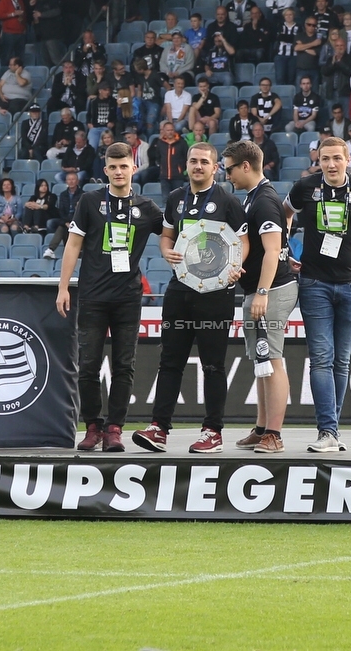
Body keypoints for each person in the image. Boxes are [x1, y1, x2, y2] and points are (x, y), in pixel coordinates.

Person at [131, 142, 248, 455]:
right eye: (193, 161)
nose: (198, 166)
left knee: (212, 365)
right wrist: (165, 250)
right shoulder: (175, 198)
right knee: (170, 361)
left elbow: (244, 240)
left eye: (204, 162)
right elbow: (166, 235)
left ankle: (213, 431)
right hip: (180, 289)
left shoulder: (228, 200)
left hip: (216, 294)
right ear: (186, 165)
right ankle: (159, 429)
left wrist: (236, 266)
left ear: (214, 168)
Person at [55, 141, 164, 452]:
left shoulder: (146, 208)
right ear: (105, 171)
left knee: (123, 366)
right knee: (87, 365)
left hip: (128, 298)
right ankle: (92, 427)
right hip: (91, 296)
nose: (118, 171)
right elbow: (73, 244)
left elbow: (171, 231)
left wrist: (171, 252)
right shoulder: (90, 202)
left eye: (123, 166)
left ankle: (114, 428)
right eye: (113, 167)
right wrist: (64, 287)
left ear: (133, 168)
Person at [283, 136, 351, 452]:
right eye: (325, 159)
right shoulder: (305, 187)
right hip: (314, 284)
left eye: (337, 158)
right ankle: (327, 431)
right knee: (322, 359)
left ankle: (332, 431)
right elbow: (285, 212)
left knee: (342, 361)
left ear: (347, 157)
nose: (331, 164)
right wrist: (285, 250)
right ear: (318, 160)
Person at [217, 139, 298, 453]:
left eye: (230, 170)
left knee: (273, 360)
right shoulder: (253, 198)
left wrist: (262, 292)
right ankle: (262, 427)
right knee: (262, 361)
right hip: (260, 289)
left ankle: (273, 434)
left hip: (272, 290)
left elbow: (273, 249)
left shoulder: (263, 200)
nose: (228, 176)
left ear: (246, 165)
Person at [154, 121, 188, 200]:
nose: (170, 132)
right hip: (164, 177)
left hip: (178, 176)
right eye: (168, 130)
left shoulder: (181, 142)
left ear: (174, 130)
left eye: (171, 130)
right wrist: (161, 168)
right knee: (166, 200)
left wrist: (181, 169)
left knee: (179, 199)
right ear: (164, 131)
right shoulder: (160, 143)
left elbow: (186, 157)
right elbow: (157, 157)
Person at [273, 8, 299, 86]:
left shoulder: (299, 27)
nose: (288, 16)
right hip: (281, 55)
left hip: (293, 56)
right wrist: (292, 38)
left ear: (294, 15)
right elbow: (279, 37)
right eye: (286, 15)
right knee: (280, 78)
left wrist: (285, 37)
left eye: (290, 14)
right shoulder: (280, 25)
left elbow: (298, 40)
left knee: (291, 78)